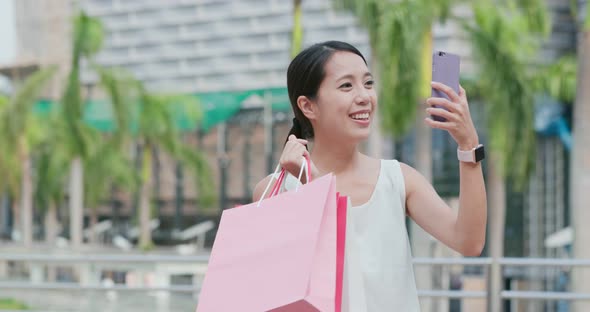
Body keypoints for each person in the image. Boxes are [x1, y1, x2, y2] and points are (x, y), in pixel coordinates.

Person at [253, 41, 487, 311]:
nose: (364, 96)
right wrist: (312, 192)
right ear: (308, 106)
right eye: (346, 86)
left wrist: (469, 147)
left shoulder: (398, 179)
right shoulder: (275, 191)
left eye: (368, 83)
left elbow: (469, 241)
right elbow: (282, 292)